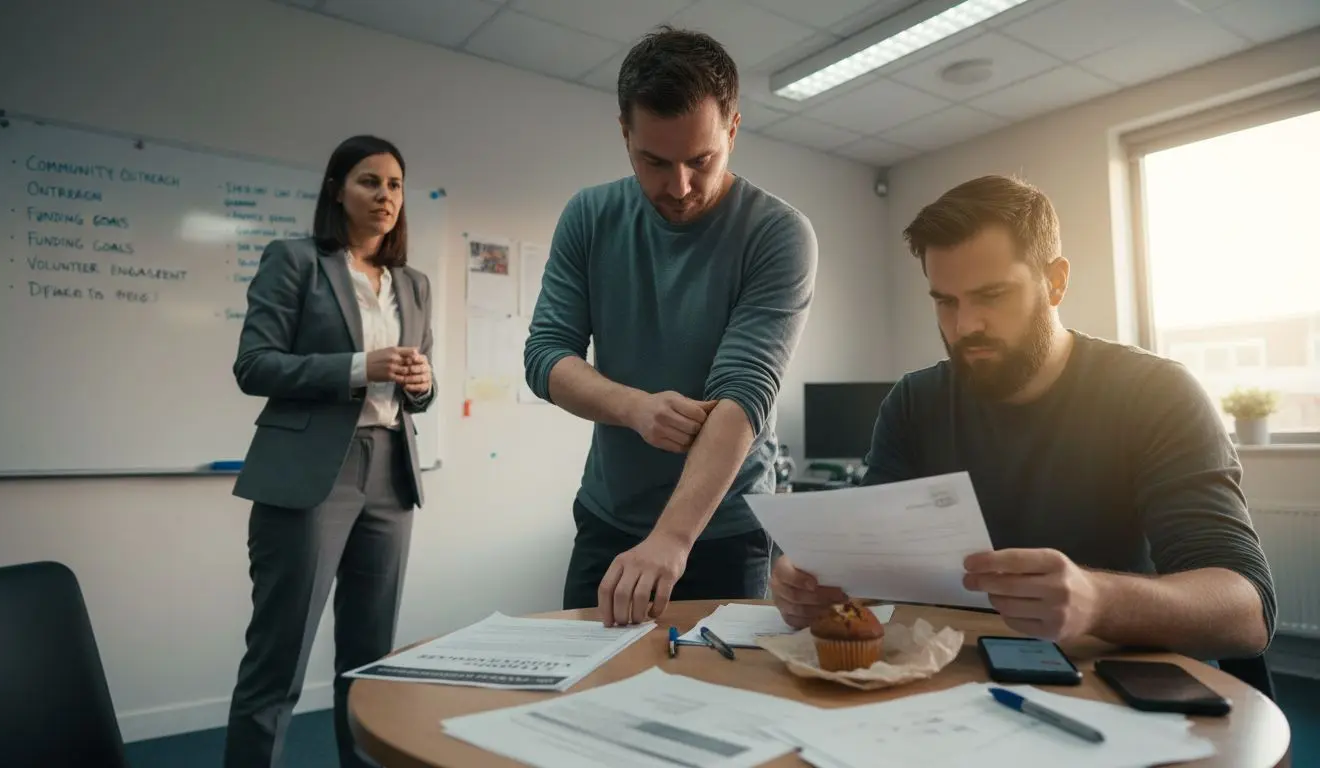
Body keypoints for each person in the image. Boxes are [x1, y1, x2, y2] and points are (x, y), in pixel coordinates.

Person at [771, 175, 1276, 661]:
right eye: (946, 302)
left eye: (992, 296)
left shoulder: (1156, 393)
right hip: (949, 679)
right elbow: (870, 557)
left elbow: (1247, 610)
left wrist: (1098, 600)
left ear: (1055, 282)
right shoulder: (913, 401)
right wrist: (817, 580)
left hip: (1109, 682)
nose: (965, 326)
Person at [524, 26, 818, 628]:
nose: (679, 187)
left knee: (720, 704)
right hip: (607, 520)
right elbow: (546, 355)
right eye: (653, 162)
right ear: (625, 134)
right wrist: (635, 408)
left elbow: (744, 394)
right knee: (587, 697)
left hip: (724, 530)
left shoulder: (779, 234)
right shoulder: (589, 215)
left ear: (733, 130)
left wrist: (672, 539)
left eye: (700, 160)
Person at [224, 135, 436, 768]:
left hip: (391, 475)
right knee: (278, 662)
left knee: (371, 665)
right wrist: (356, 366)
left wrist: (423, 386)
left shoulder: (414, 284)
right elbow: (253, 365)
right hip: (312, 473)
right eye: (370, 182)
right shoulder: (294, 261)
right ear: (336, 190)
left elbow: (417, 387)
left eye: (395, 185)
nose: (386, 196)